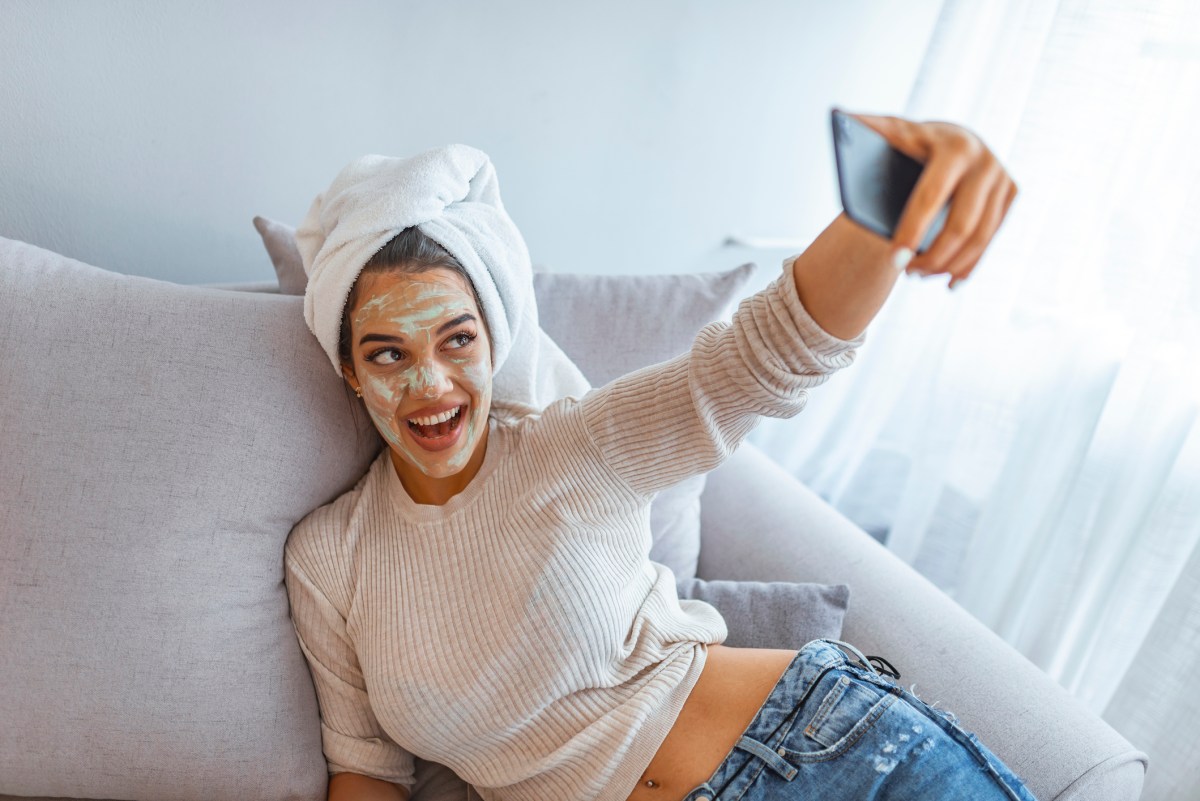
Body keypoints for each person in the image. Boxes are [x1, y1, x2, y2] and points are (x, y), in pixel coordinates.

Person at [282, 113, 1033, 801]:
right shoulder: (329, 558)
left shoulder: (570, 445)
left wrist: (886, 211)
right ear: (349, 369)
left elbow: (763, 357)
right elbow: (368, 768)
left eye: (457, 340)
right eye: (388, 353)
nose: (431, 385)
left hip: (817, 752)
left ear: (493, 340)